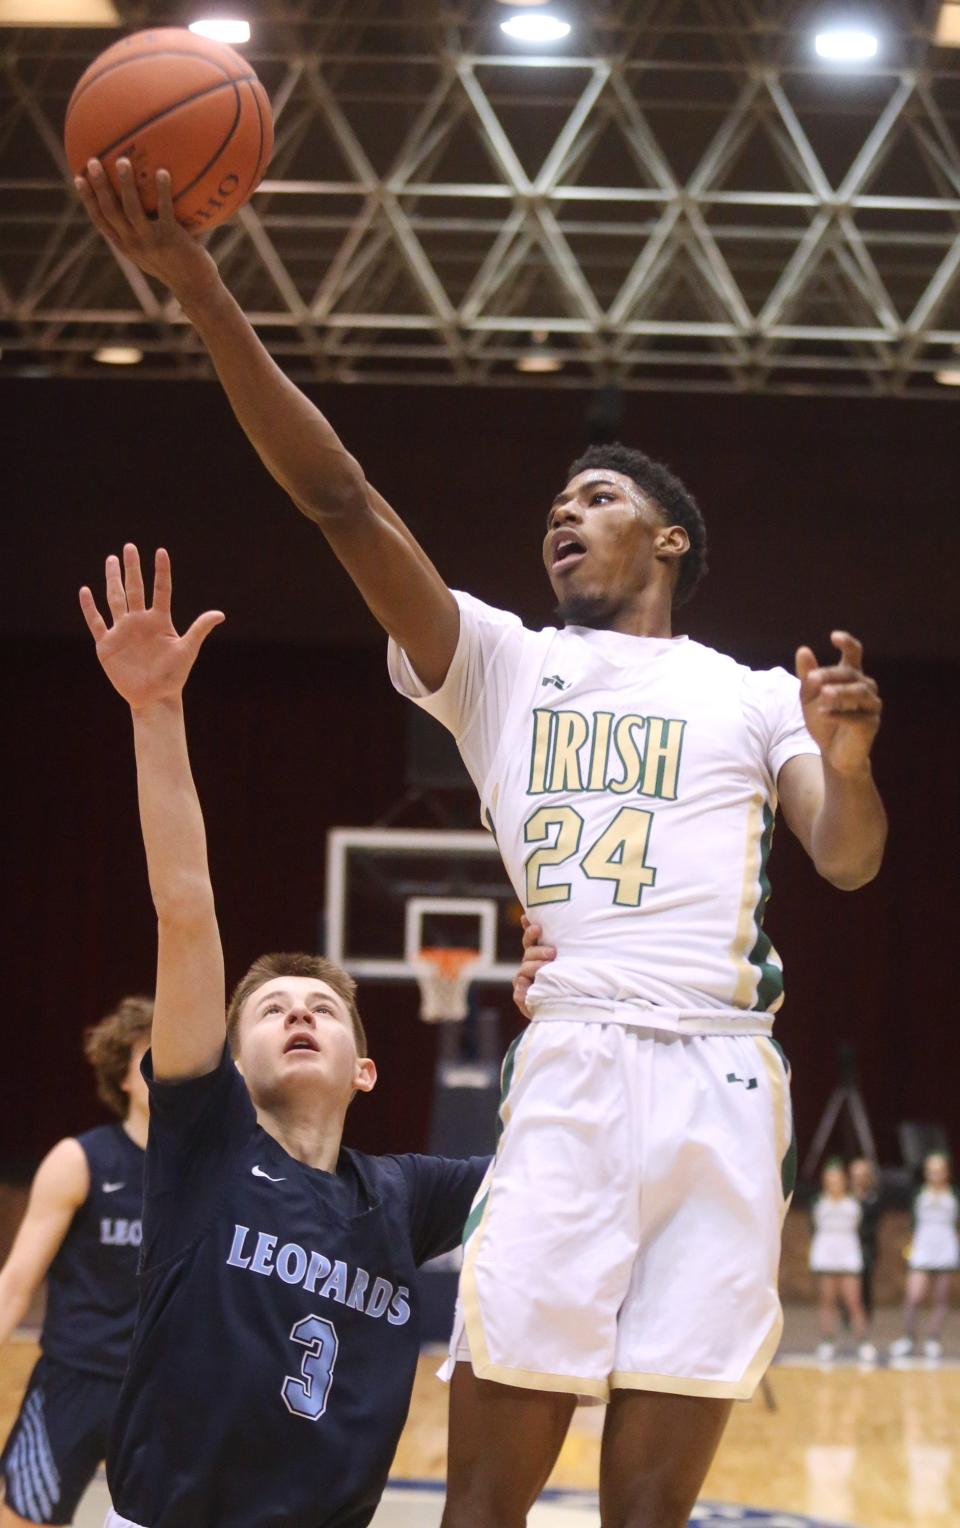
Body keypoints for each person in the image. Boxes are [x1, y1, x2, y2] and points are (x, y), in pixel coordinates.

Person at [75, 163, 888, 1528]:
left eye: (596, 498)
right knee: (483, 1505)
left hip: (729, 1087)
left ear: (668, 536)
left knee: (651, 1511)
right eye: (554, 505)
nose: (563, 516)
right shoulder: (497, 666)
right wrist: (206, 297)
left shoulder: (752, 694)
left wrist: (850, 761)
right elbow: (341, 499)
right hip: (572, 1071)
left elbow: (850, 858)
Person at [77, 545, 488, 1528]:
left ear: (367, 1066)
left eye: (322, 1008)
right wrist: (156, 713)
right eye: (270, 1009)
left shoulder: (404, 1196)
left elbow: (559, 1152)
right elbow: (185, 907)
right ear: (230, 1059)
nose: (298, 1011)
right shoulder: (206, 1141)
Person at [0, 1000, 151, 1527]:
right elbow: (17, 1281)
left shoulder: (211, 1172)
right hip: (75, 1379)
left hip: (162, 1390)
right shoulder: (80, 1160)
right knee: (27, 1519)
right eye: (151, 1054)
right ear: (123, 1076)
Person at [890, 1151, 958, 1361]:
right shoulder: (919, 1195)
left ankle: (933, 1339)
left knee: (940, 1297)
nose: (934, 1175)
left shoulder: (953, 1195)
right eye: (930, 1171)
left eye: (938, 1170)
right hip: (923, 1247)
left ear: (946, 1173)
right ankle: (909, 1338)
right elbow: (912, 1223)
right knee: (913, 1296)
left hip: (945, 1247)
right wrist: (911, 1246)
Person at [808, 1160, 876, 1365]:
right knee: (827, 1301)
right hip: (826, 1254)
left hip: (848, 1255)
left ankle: (863, 1341)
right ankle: (827, 1341)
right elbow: (812, 1227)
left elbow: (863, 1226)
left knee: (854, 1301)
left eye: (837, 1180)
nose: (833, 1184)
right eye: (829, 1181)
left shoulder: (853, 1203)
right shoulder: (818, 1203)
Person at [848, 1156, 882, 1319]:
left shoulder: (873, 1199)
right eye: (855, 1175)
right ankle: (847, 1316)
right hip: (845, 1247)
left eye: (862, 1175)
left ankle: (865, 1317)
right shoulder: (846, 1197)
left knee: (865, 1284)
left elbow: (873, 1224)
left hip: (866, 1247)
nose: (858, 1179)